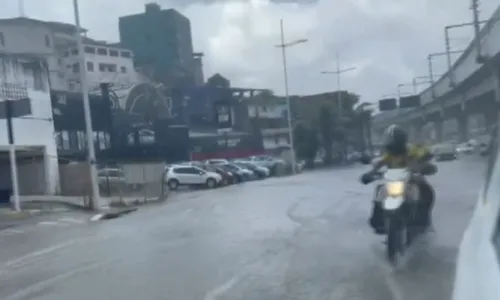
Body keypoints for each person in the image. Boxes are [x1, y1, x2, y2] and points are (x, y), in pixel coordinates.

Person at [360, 124, 436, 234]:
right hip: (393, 181)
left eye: (394, 141)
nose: (392, 144)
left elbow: (423, 154)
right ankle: (378, 221)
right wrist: (369, 174)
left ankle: (423, 218)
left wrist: (425, 165)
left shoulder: (411, 151)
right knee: (380, 190)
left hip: (410, 181)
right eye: (390, 141)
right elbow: (379, 164)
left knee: (424, 188)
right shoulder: (389, 155)